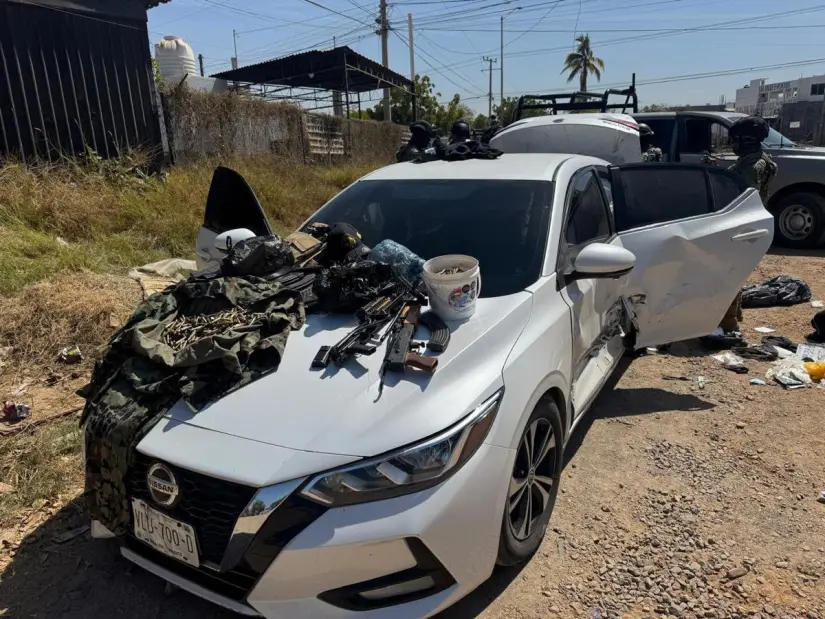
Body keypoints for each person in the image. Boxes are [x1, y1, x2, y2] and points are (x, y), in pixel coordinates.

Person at [717, 115, 778, 333]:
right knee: (736, 272)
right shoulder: (757, 160)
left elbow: (739, 195)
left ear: (746, 140)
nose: (732, 145)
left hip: (741, 226)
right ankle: (731, 316)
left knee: (730, 273)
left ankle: (728, 322)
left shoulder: (753, 166)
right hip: (747, 224)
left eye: (735, 140)